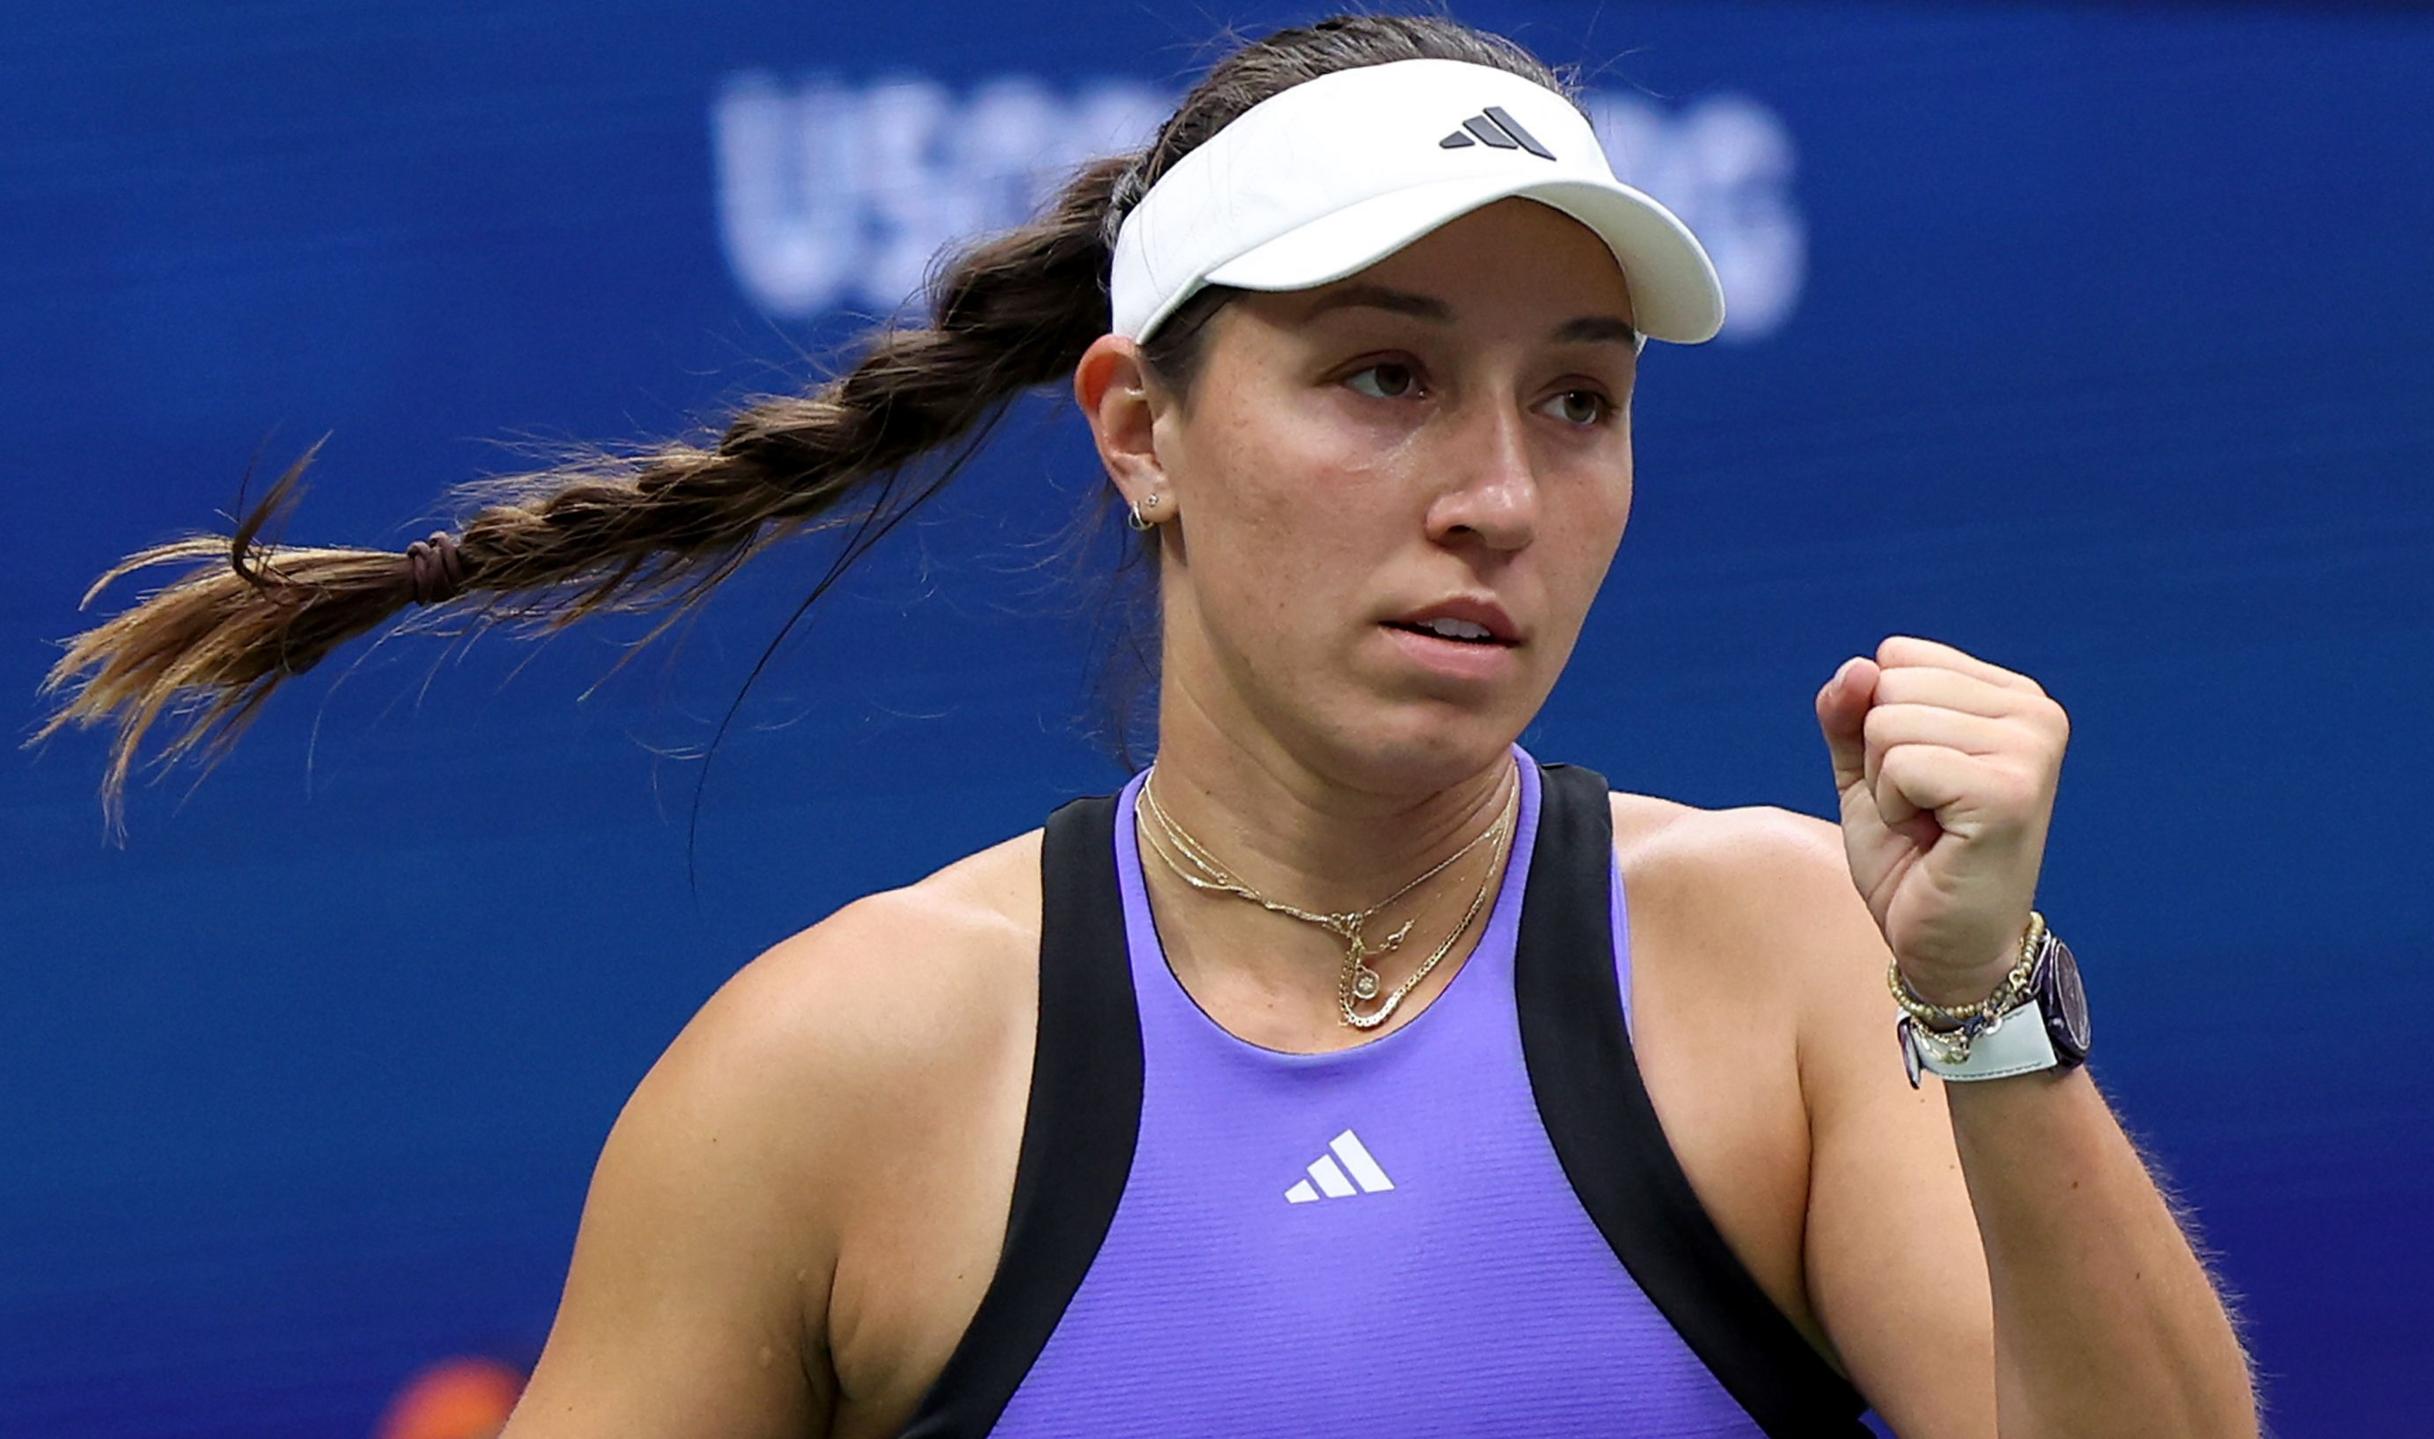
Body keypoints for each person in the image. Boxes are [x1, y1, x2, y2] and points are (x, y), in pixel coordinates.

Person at [33, 14, 2259, 1437]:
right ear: (1139, 430)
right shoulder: (840, 1064)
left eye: (1574, 397)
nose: (1495, 490)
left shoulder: (1796, 965)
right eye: (1382, 375)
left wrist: (1976, 1007)